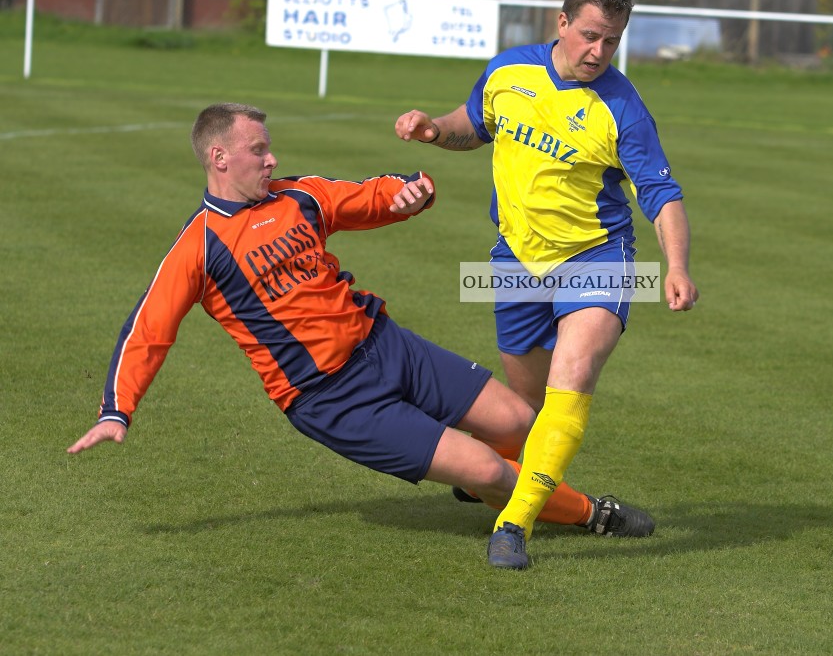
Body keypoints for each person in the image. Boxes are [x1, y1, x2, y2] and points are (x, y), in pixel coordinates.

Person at [66, 102, 655, 549]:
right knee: (488, 468)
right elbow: (148, 327)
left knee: (519, 421)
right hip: (330, 397)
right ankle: (591, 514)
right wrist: (118, 410)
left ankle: (480, 482)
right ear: (220, 158)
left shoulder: (297, 196)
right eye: (258, 150)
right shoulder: (199, 246)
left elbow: (366, 196)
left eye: (269, 149)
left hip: (384, 344)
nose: (271, 158)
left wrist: (410, 193)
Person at [394, 0, 698, 569]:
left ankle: (513, 526)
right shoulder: (510, 71)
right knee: (523, 418)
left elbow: (662, 195)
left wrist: (678, 266)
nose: (598, 52)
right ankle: (502, 472)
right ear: (561, 23)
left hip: (598, 258)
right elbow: (471, 124)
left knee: (574, 374)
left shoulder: (623, 107)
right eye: (590, 36)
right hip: (515, 261)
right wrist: (434, 131)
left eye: (611, 41)